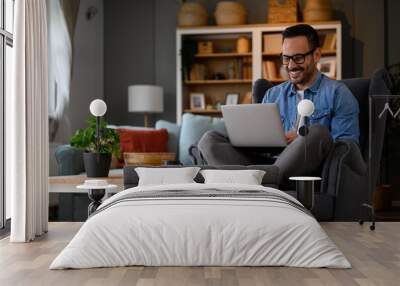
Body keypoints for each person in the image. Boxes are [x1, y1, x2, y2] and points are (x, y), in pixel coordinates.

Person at [198, 24, 360, 181]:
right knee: (209, 139)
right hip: (264, 161)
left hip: (304, 168)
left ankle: (261, 180)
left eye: (298, 58)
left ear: (316, 55)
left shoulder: (338, 93)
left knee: (317, 132)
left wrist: (300, 139)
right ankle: (263, 179)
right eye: (286, 58)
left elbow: (347, 146)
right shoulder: (273, 94)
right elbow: (258, 139)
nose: (290, 65)